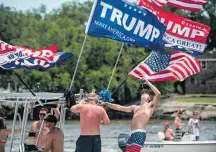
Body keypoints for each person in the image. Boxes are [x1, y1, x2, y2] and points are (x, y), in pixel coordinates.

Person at [103, 78, 161, 152]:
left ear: (149, 98)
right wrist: (106, 103)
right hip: (132, 134)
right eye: (143, 93)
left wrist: (147, 82)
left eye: (146, 93)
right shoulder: (135, 108)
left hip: (139, 133)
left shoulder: (150, 106)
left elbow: (158, 94)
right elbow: (120, 108)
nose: (143, 93)